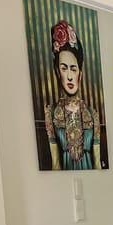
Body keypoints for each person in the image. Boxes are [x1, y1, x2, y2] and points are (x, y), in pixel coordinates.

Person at [44, 19, 103, 170]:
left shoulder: (91, 114)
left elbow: (97, 163)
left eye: (73, 68)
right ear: (58, 72)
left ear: (80, 73)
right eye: (64, 68)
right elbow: (56, 164)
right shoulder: (52, 113)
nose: (70, 76)